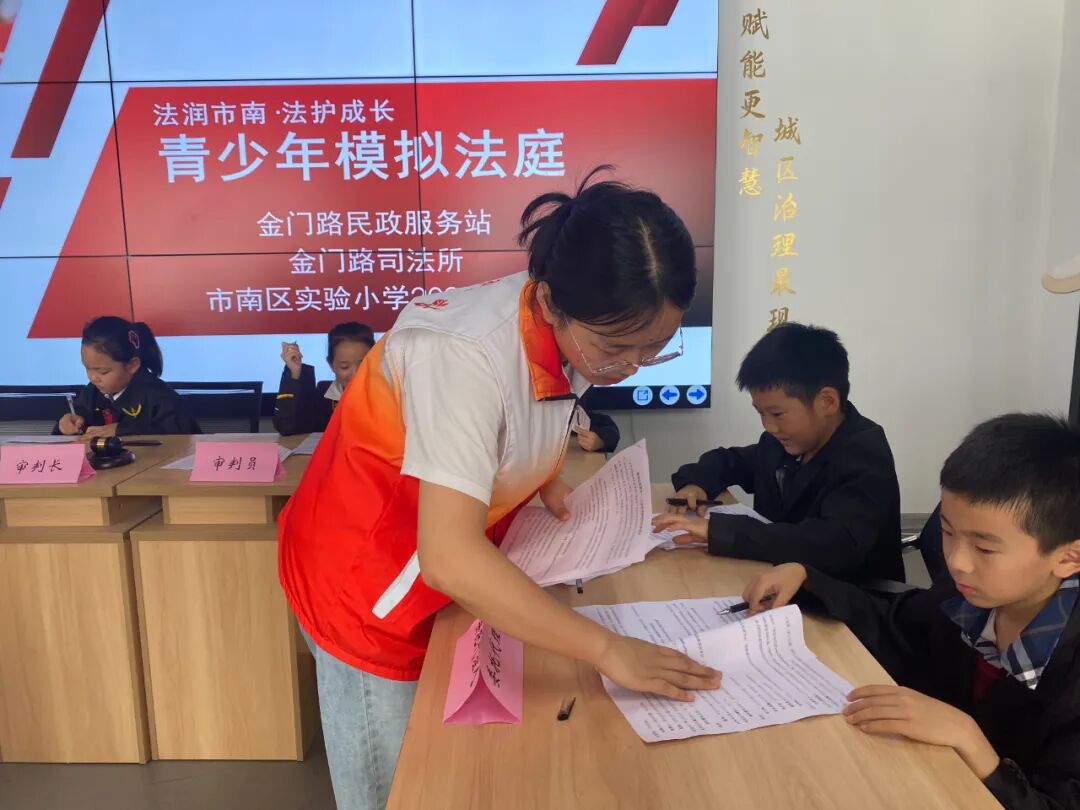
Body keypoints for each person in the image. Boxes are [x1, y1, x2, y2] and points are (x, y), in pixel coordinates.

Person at [277, 168, 721, 810]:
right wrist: (606, 649)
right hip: (370, 583)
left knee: (462, 774)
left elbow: (529, 411)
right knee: (398, 789)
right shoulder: (463, 356)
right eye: (617, 349)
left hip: (445, 572)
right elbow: (449, 558)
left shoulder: (573, 324)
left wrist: (542, 472)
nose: (630, 367)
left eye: (653, 349)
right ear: (551, 303)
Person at [742, 414, 1080, 809]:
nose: (957, 562)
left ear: (1068, 558)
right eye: (948, 532)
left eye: (984, 548)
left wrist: (972, 743)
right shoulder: (970, 597)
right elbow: (898, 624)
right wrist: (808, 580)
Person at [653, 323, 903, 582]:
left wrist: (720, 532)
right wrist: (697, 483)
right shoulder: (784, 442)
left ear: (827, 402)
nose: (768, 426)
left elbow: (833, 544)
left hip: (845, 595)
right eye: (760, 413)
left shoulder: (864, 455)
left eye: (776, 414)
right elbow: (731, 461)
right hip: (775, 575)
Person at [56, 316, 200, 438]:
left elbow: (177, 440)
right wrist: (66, 424)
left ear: (132, 365)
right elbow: (78, 420)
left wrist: (121, 431)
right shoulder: (92, 393)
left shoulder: (161, 399)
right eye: (87, 368)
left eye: (103, 371)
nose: (93, 378)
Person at [273, 322, 376, 435]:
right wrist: (294, 372)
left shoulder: (388, 394)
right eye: (344, 367)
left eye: (362, 365)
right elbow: (287, 428)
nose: (355, 374)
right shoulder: (324, 397)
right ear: (331, 365)